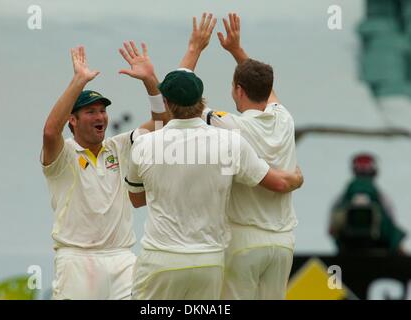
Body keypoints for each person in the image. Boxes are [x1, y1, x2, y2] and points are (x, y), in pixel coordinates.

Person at [125, 33, 303, 299]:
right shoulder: (276, 121)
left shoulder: (223, 126)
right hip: (259, 247)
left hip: (207, 247)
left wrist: (192, 49)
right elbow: (264, 90)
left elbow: (137, 199)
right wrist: (296, 179)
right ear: (202, 101)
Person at [179, 13, 300, 299]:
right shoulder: (285, 118)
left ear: (238, 90)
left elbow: (179, 96)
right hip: (283, 243)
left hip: (243, 239)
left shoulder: (228, 124)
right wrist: (236, 51)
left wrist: (195, 48)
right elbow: (268, 92)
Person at [41, 43, 168, 299]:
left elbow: (163, 123)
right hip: (76, 259)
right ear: (73, 121)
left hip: (121, 258)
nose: (101, 116)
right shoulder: (62, 155)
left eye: (103, 111)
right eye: (91, 112)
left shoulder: (118, 147)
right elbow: (50, 131)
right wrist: (78, 81)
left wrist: (150, 81)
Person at [329, 153, 407, 255]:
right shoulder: (381, 197)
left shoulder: (343, 197)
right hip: (381, 247)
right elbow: (391, 220)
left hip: (347, 247)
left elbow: (332, 226)